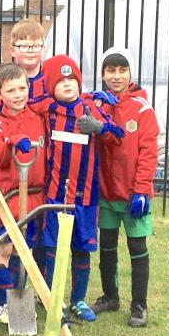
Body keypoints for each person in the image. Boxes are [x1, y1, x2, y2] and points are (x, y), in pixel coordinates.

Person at [33, 54, 124, 322]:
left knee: (81, 249)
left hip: (85, 197)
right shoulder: (48, 109)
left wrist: (99, 127)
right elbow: (19, 103)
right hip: (55, 197)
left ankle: (79, 299)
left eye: (72, 78)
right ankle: (54, 298)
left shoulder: (91, 108)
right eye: (60, 81)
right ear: (51, 87)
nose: (68, 84)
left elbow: (118, 135)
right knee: (52, 248)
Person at [93, 47, 159, 327]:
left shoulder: (142, 109)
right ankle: (110, 296)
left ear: (131, 73)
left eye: (122, 70)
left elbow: (148, 152)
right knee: (107, 246)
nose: (116, 76)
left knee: (137, 248)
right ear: (103, 74)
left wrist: (142, 190)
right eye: (111, 70)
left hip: (134, 196)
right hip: (106, 193)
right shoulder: (97, 105)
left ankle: (139, 304)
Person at [0, 63, 48, 324]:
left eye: (22, 88)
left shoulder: (37, 118)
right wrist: (11, 141)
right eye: (11, 90)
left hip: (33, 196)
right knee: (5, 250)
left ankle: (19, 300)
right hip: (7, 197)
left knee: (25, 251)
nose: (18, 94)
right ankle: (2, 304)